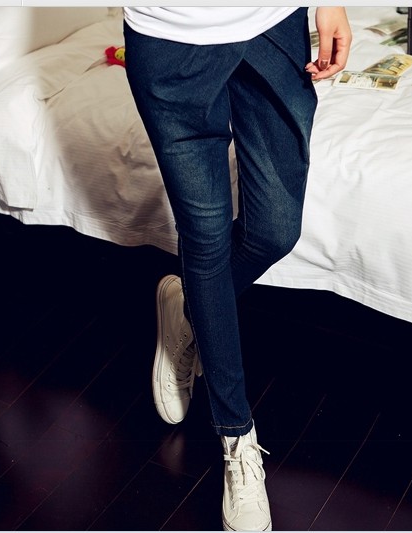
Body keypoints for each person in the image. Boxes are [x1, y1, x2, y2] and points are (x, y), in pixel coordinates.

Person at [123, 7, 351, 531]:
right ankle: (236, 439)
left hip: (272, 20)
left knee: (275, 230)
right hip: (170, 36)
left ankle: (189, 311)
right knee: (205, 240)